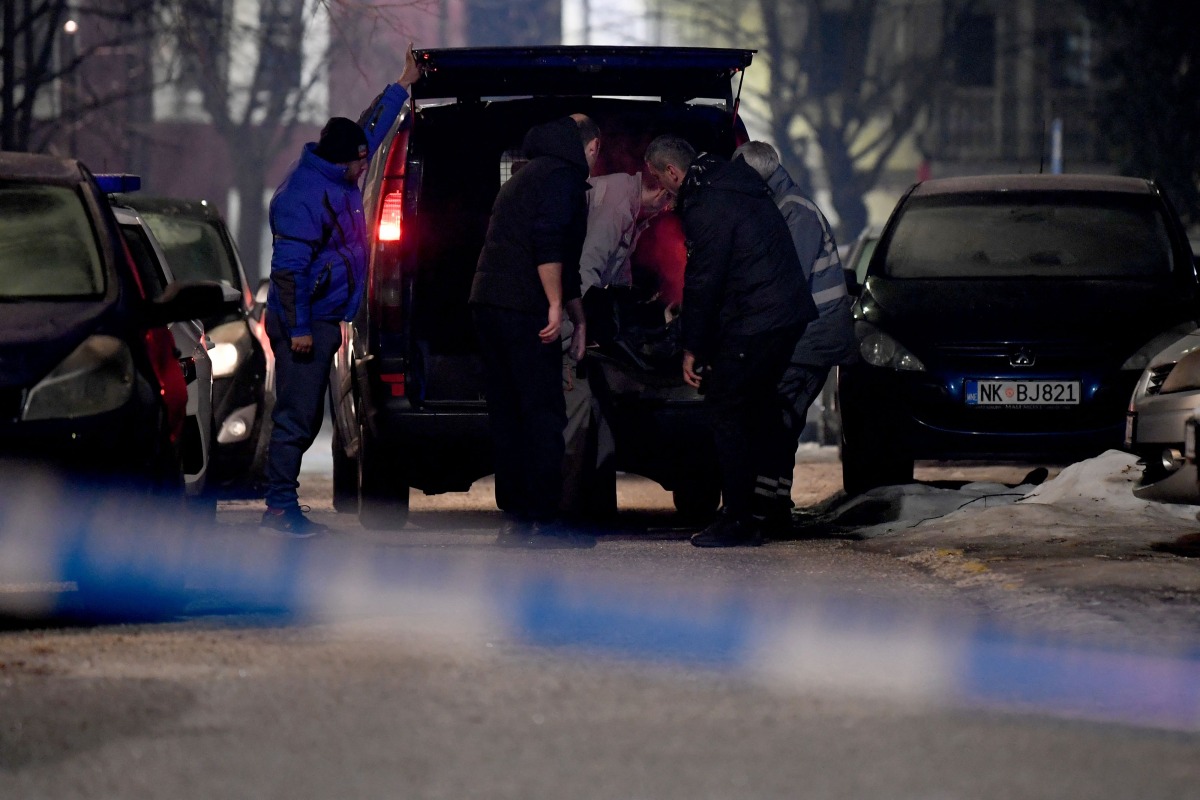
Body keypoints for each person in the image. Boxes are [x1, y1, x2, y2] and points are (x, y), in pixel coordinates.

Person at [260, 46, 421, 537]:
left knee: (305, 418)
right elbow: (288, 273)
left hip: (325, 321)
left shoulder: (338, 170)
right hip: (304, 325)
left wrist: (403, 82)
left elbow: (369, 129)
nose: (364, 167)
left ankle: (282, 508)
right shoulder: (303, 197)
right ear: (342, 161)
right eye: (360, 163)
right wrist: (302, 329)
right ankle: (279, 510)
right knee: (297, 418)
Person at [643, 135, 818, 547]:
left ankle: (739, 519)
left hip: (760, 319)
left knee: (726, 409)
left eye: (658, 180)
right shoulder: (728, 183)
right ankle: (756, 512)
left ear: (673, 172)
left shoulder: (708, 203)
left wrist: (692, 346)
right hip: (782, 316)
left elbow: (706, 278)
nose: (659, 191)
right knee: (753, 410)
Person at [470, 114, 599, 547]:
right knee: (543, 412)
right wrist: (556, 305)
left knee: (507, 412)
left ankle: (517, 519)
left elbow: (566, 261)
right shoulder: (561, 179)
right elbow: (548, 245)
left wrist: (579, 320)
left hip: (488, 305)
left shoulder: (524, 178)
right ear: (590, 148)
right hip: (522, 309)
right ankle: (545, 521)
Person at [733, 141, 858, 532]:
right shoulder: (785, 206)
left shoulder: (795, 213)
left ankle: (767, 506)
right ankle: (773, 502)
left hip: (812, 337)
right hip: (809, 335)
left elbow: (788, 281)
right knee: (781, 420)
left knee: (778, 418)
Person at [560, 170, 670, 522]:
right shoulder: (617, 206)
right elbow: (587, 272)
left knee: (598, 411)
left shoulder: (634, 208)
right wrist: (592, 328)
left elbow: (616, 274)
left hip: (580, 319)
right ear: (658, 187)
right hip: (571, 322)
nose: (668, 209)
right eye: (668, 199)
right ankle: (570, 511)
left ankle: (595, 505)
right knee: (580, 413)